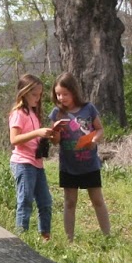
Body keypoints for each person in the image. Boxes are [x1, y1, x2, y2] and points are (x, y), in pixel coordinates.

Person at [50, 72, 111, 240]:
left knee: (97, 199)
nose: (61, 98)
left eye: (65, 94)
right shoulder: (56, 113)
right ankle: (69, 238)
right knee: (70, 202)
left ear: (74, 92)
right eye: (58, 94)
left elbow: (99, 129)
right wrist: (55, 131)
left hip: (90, 164)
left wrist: (94, 139)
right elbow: (55, 142)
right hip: (68, 166)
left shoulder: (88, 108)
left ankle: (107, 235)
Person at [9, 74, 57, 241]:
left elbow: (33, 137)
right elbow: (14, 139)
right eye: (34, 95)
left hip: (37, 164)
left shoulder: (33, 113)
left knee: (45, 202)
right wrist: (37, 132)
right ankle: (21, 238)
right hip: (23, 163)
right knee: (26, 201)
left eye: (40, 95)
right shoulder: (18, 113)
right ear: (24, 93)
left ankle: (45, 237)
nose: (38, 98)